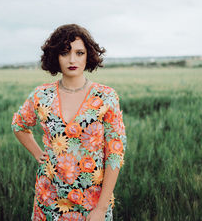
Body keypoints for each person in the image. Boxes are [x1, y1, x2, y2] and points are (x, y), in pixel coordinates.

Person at [11, 24, 127, 221]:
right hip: (49, 200)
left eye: (79, 53)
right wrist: (39, 154)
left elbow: (114, 155)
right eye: (65, 53)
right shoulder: (41, 95)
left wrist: (100, 209)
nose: (72, 60)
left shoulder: (106, 96)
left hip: (92, 203)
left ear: (88, 56)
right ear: (55, 56)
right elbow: (19, 126)